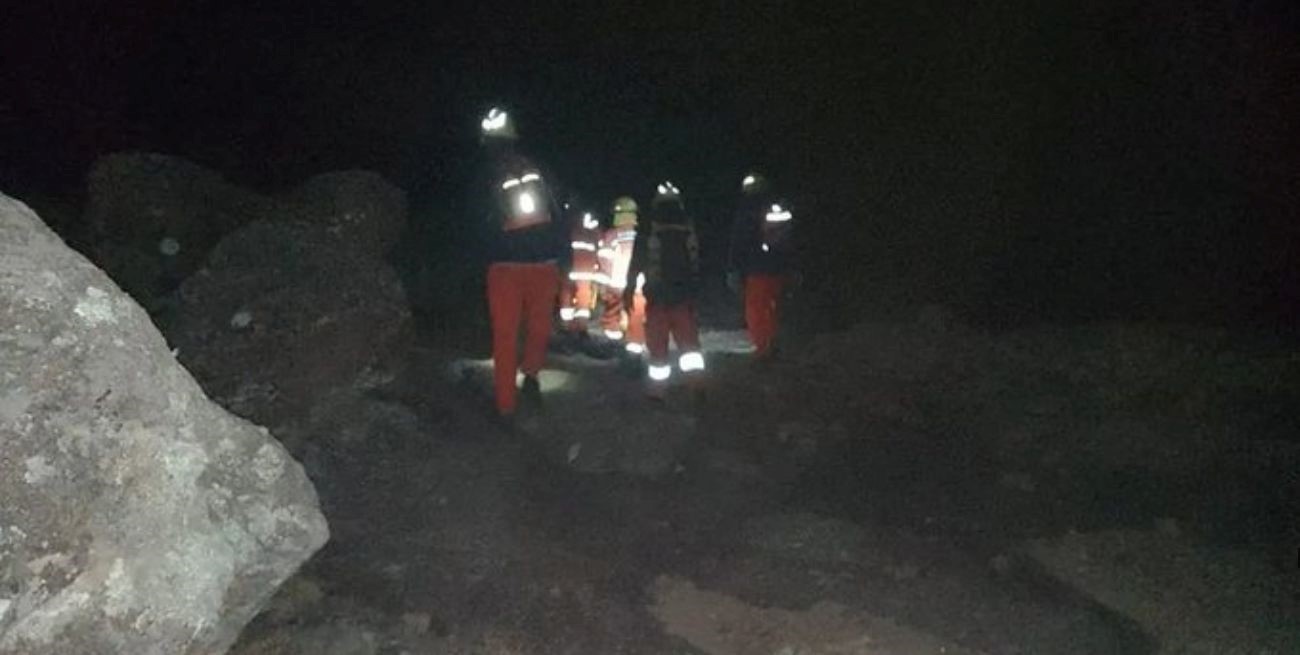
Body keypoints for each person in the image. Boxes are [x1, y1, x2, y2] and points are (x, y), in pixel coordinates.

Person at [474, 107, 566, 420]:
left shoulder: (486, 174)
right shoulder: (537, 169)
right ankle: (531, 378)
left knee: (505, 335)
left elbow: (476, 222)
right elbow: (558, 210)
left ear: (486, 141)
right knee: (539, 326)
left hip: (505, 267)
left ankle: (505, 406)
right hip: (544, 263)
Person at [625, 182, 704, 398]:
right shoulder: (688, 227)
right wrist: (696, 291)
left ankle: (657, 392)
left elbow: (637, 262)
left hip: (657, 298)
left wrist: (629, 289)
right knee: (689, 345)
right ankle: (696, 386)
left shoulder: (649, 229)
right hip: (682, 297)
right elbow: (697, 261)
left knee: (658, 347)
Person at [728, 171, 795, 360]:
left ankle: (762, 348)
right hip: (780, 267)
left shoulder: (747, 210)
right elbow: (791, 239)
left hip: (757, 268)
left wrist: (734, 267)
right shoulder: (779, 207)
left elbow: (740, 240)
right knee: (773, 307)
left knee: (756, 308)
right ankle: (772, 342)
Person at [598, 196, 646, 357]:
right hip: (639, 285)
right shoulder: (642, 235)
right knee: (636, 315)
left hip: (616, 283)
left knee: (613, 314)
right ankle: (634, 350)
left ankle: (613, 344)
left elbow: (604, 260)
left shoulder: (611, 235)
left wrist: (603, 285)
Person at [558, 207, 603, 343]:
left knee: (566, 296)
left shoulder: (569, 228)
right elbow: (599, 247)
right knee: (583, 299)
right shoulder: (594, 231)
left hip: (570, 269)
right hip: (585, 271)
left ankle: (567, 328)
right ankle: (581, 329)